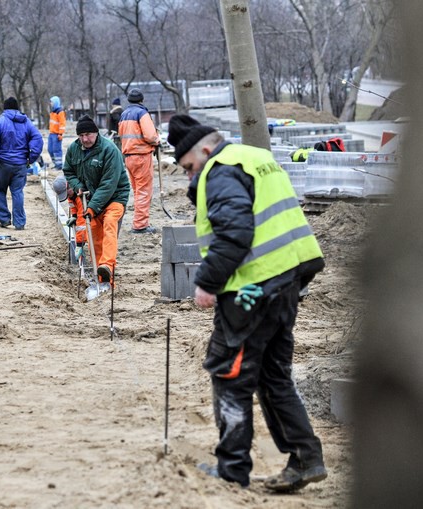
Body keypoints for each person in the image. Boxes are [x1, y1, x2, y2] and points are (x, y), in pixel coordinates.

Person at [167, 114, 327, 492]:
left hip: (251, 291)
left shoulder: (221, 170)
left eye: (190, 167)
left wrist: (207, 283)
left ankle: (232, 470)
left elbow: (236, 232)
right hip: (285, 282)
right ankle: (305, 458)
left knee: (230, 374)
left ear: (205, 150)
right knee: (274, 377)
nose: (191, 177)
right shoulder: (254, 157)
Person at [62, 115, 130, 286]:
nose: (85, 139)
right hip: (91, 199)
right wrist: (78, 186)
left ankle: (107, 265)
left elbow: (109, 184)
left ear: (96, 133)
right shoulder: (74, 150)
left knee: (109, 224)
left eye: (88, 135)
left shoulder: (110, 150)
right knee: (94, 236)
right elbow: (68, 171)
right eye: (81, 136)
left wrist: (92, 207)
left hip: (114, 197)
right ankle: (103, 279)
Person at [0, 97, 44, 230]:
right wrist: (31, 158)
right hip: (20, 164)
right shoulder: (26, 122)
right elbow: (38, 139)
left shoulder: (0, 121)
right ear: (17, 108)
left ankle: (4, 219)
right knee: (17, 192)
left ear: (5, 108)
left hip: (2, 164)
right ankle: (20, 222)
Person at [119, 88, 160, 234]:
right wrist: (157, 140)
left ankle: (139, 221)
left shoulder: (124, 114)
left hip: (129, 156)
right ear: (142, 100)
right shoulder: (142, 113)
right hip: (141, 155)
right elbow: (150, 135)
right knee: (143, 191)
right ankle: (140, 225)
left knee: (137, 190)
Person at [48, 96, 67, 170]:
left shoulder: (60, 112)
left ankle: (59, 166)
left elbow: (62, 124)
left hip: (57, 134)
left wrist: (60, 134)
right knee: (50, 150)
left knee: (56, 150)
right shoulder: (52, 112)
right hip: (51, 133)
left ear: (55, 102)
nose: (50, 104)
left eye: (51, 102)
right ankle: (55, 164)